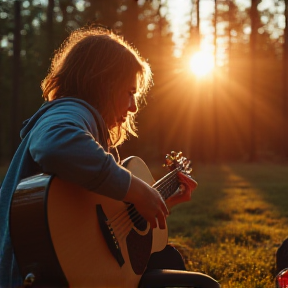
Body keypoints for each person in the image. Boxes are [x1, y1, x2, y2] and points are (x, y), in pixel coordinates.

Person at [0, 25, 219, 288]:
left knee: (170, 261)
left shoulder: (89, 129)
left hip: (78, 272)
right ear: (102, 82)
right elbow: (53, 143)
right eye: (129, 92)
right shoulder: (70, 112)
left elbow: (104, 226)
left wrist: (159, 204)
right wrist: (137, 190)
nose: (133, 106)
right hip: (36, 277)